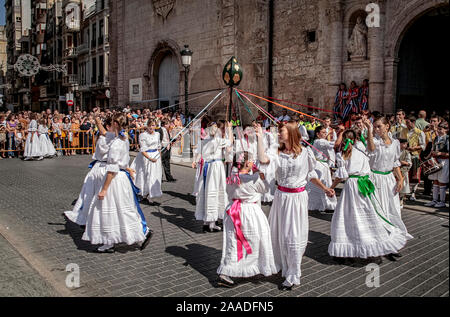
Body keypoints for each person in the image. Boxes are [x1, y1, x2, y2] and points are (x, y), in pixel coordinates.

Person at [256, 121, 335, 291]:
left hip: (298, 199)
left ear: (291, 133)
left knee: (294, 236)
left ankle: (293, 273)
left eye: (281, 131)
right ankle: (279, 264)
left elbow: (311, 174)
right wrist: (260, 138)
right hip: (281, 197)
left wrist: (325, 188)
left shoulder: (305, 152)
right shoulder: (277, 152)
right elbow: (263, 160)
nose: (278, 134)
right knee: (279, 233)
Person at [329, 129, 407, 265]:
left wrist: (330, 187)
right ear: (356, 139)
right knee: (368, 215)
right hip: (364, 186)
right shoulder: (363, 151)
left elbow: (341, 176)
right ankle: (372, 247)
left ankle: (345, 251)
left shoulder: (342, 155)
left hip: (352, 188)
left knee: (347, 218)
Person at [82, 113, 153, 253]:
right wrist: (97, 120)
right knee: (122, 209)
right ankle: (111, 241)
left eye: (112, 121)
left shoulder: (117, 142)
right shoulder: (122, 138)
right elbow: (103, 132)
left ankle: (139, 234)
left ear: (115, 124)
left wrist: (104, 189)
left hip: (115, 180)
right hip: (122, 179)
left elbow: (112, 169)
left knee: (107, 209)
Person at [216, 152, 278, 287]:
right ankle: (251, 266)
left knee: (234, 241)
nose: (254, 162)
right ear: (248, 163)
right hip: (250, 212)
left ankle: (231, 270)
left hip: (234, 211)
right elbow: (266, 189)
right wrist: (262, 177)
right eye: (252, 161)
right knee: (254, 239)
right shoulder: (254, 178)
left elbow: (229, 192)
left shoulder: (231, 177)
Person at [364, 116, 413, 260]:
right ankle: (379, 243)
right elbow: (371, 149)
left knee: (392, 210)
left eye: (379, 126)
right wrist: (369, 130)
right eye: (375, 126)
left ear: (387, 126)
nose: (377, 129)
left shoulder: (395, 143)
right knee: (378, 211)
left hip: (389, 180)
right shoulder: (375, 141)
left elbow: (395, 162)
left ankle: (392, 243)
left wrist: (400, 178)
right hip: (375, 178)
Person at [64, 115, 115, 227]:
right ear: (107, 127)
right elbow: (104, 152)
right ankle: (87, 217)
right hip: (101, 168)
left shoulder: (114, 137)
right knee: (91, 193)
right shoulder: (103, 139)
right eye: (113, 126)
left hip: (109, 168)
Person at [193, 121, 233, 233]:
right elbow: (230, 142)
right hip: (215, 168)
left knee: (207, 192)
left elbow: (198, 153)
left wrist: (195, 161)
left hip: (207, 167)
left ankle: (207, 222)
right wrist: (229, 128)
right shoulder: (217, 140)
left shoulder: (204, 141)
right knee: (214, 191)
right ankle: (211, 223)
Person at [131, 119, 163, 204]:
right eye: (150, 125)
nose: (152, 127)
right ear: (147, 126)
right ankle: (144, 193)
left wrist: (159, 156)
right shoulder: (142, 135)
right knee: (146, 175)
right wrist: (149, 158)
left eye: (153, 125)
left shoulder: (157, 134)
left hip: (156, 156)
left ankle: (150, 194)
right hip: (146, 157)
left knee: (155, 175)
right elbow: (143, 150)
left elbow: (159, 146)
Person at [307, 126, 338, 213]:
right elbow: (336, 144)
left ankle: (323, 203)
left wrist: (333, 133)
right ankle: (324, 204)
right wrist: (342, 132)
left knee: (324, 183)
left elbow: (332, 142)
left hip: (323, 165)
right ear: (317, 134)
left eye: (325, 132)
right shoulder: (319, 141)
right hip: (319, 165)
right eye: (323, 132)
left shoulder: (320, 141)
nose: (325, 134)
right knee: (322, 183)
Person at [425, 121, 449, 208]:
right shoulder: (436, 138)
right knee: (435, 180)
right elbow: (432, 149)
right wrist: (428, 156)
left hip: (444, 161)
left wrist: (440, 153)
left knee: (442, 181)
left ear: (446, 130)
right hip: (435, 161)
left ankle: (442, 201)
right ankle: (434, 200)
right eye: (438, 129)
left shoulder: (447, 139)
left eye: (440, 129)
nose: (438, 131)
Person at [405, 116, 426, 201]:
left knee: (415, 175)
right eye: (406, 123)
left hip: (415, 155)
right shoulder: (404, 131)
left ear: (413, 122)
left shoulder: (420, 132)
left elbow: (423, 146)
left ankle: (413, 193)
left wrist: (414, 148)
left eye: (408, 122)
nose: (406, 124)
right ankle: (406, 192)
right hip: (405, 155)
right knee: (406, 174)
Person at [398, 139, 412, 208]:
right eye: (403, 143)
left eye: (406, 144)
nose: (405, 145)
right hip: (395, 171)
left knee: (403, 186)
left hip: (403, 171)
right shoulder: (395, 151)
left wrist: (405, 163)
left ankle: (401, 199)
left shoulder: (406, 153)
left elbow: (410, 163)